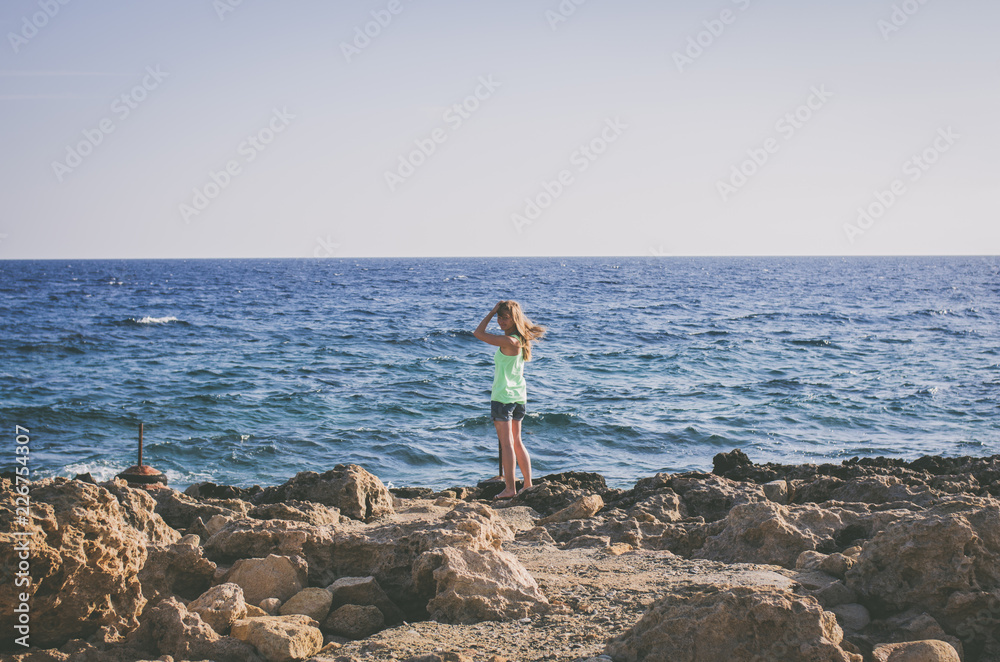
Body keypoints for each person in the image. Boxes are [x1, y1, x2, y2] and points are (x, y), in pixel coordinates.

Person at [473, 300, 546, 499]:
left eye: (505, 317)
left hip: (503, 397)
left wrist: (490, 311)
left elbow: (478, 333)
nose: (501, 321)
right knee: (516, 441)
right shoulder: (520, 340)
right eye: (499, 317)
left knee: (507, 444)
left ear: (514, 319)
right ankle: (528, 484)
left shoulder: (510, 341)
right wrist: (496, 312)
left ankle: (510, 488)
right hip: (519, 397)